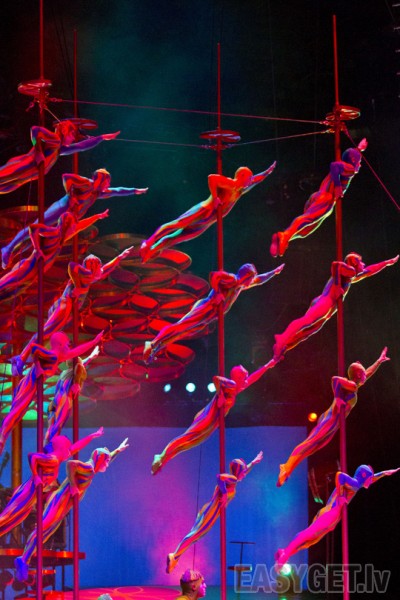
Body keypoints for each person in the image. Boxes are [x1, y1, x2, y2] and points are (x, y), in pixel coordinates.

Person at [14, 438, 129, 582]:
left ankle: (25, 559)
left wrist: (117, 450)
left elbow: (107, 458)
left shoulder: (92, 469)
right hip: (59, 501)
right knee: (42, 530)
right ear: (99, 459)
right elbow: (70, 464)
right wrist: (74, 486)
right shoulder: (88, 467)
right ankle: (23, 559)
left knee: (45, 534)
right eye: (105, 461)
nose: (107, 463)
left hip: (64, 505)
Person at [12, 245, 134, 376]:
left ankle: (29, 360)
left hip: (67, 308)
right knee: (45, 333)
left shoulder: (92, 276)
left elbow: (108, 268)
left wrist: (120, 256)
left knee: (47, 336)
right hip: (65, 305)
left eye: (96, 265)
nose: (97, 268)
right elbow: (71, 266)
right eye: (93, 264)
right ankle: (21, 357)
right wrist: (77, 285)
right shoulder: (85, 273)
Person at [277, 347, 390, 486]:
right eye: (362, 372)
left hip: (333, 423)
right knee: (309, 443)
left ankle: (287, 469)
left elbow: (368, 372)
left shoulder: (354, 385)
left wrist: (379, 361)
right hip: (330, 419)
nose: (365, 373)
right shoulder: (352, 385)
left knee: (311, 448)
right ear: (358, 374)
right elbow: (334, 379)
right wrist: (337, 398)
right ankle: (286, 466)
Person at [1, 168, 146, 269]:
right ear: (100, 180)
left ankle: (13, 253)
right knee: (35, 227)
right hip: (60, 209)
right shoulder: (86, 183)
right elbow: (66, 176)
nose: (108, 186)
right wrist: (71, 194)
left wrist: (134, 191)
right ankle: (8, 248)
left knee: (39, 238)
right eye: (107, 182)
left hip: (67, 219)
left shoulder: (98, 193)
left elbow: (117, 191)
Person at [144, 262, 284, 363]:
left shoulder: (240, 286)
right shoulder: (232, 279)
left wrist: (274, 272)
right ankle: (152, 343)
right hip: (207, 307)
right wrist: (218, 293)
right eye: (251, 278)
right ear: (246, 276)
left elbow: (259, 280)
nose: (252, 281)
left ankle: (157, 347)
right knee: (181, 327)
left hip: (211, 315)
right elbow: (215, 276)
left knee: (183, 332)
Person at [152, 361, 275, 474]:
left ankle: (164, 460)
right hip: (207, 416)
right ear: (238, 377)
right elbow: (216, 378)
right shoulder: (231, 384)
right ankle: (161, 455)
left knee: (190, 443)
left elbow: (253, 378)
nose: (246, 378)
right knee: (186, 438)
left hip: (214, 421)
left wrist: (268, 365)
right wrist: (220, 392)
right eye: (245, 376)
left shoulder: (236, 388)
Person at [275, 464, 400, 572]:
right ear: (364, 476)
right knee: (308, 534)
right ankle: (285, 555)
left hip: (331, 517)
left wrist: (384, 473)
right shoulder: (355, 483)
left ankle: (284, 552)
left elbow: (371, 479)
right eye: (369, 477)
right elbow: (339, 475)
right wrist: (340, 496)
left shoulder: (357, 484)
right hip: (330, 513)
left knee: (308, 542)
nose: (371, 480)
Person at [272, 252, 398, 360]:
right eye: (360, 262)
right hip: (325, 301)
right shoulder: (350, 270)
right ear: (354, 263)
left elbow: (370, 270)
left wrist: (387, 262)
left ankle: (284, 347)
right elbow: (335, 265)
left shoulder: (351, 275)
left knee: (306, 333)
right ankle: (282, 339)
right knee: (307, 322)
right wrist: (337, 286)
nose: (363, 264)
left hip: (326, 305)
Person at [140, 163, 276, 262]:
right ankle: (149, 242)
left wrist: (267, 172)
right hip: (202, 211)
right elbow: (211, 178)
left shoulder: (240, 191)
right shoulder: (229, 183)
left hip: (207, 222)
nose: (250, 180)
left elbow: (256, 180)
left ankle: (151, 251)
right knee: (177, 224)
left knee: (177, 237)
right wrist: (215, 197)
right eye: (249, 177)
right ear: (241, 175)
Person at [0, 330, 103, 454]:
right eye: (67, 344)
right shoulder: (52, 355)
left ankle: (3, 440)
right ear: (60, 345)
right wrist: (38, 367)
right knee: (16, 412)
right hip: (29, 383)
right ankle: (1, 439)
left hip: (34, 387)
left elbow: (77, 351)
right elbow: (34, 348)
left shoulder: (59, 357)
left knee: (18, 415)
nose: (69, 348)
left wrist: (94, 341)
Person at [166, 452, 263, 574]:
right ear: (238, 472)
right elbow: (219, 477)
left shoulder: (234, 479)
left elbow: (242, 472)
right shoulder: (233, 479)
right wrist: (225, 493)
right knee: (194, 535)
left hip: (209, 510)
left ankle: (175, 557)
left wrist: (253, 462)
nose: (245, 474)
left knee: (194, 536)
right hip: (212, 512)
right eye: (243, 472)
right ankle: (174, 556)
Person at [270, 140, 367, 257]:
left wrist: (359, 149)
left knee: (305, 231)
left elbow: (346, 159)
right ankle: (284, 236)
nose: (360, 165)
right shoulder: (350, 168)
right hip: (327, 197)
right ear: (353, 160)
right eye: (359, 161)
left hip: (318, 195)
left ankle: (284, 238)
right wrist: (337, 187)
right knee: (307, 219)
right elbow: (334, 165)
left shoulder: (347, 165)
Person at [0, 428, 103, 537]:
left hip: (33, 496)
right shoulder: (53, 459)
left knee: (13, 522)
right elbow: (32, 456)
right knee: (7, 517)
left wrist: (92, 436)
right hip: (28, 491)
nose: (70, 451)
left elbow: (76, 447)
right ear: (62, 448)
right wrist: (36, 476)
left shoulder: (58, 458)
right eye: (68, 447)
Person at [0, 208, 109, 302]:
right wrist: (37, 248)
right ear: (63, 223)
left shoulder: (62, 237)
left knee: (8, 293)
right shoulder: (53, 233)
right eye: (70, 224)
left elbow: (80, 226)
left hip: (35, 272)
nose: (72, 227)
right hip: (29, 266)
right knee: (4, 284)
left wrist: (97, 216)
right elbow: (33, 228)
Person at [0, 120, 119, 195]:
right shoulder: (55, 139)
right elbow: (35, 130)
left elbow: (81, 146)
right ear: (65, 131)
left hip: (24, 177)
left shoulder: (59, 149)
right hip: (22, 166)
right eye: (72, 134)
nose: (73, 139)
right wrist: (38, 152)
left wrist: (101, 137)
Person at [44, 345, 100, 444]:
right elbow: (79, 366)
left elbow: (80, 365)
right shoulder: (74, 369)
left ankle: (46, 444)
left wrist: (91, 357)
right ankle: (51, 445)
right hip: (63, 398)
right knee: (57, 425)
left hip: (56, 399)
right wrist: (77, 384)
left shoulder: (65, 372)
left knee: (51, 426)